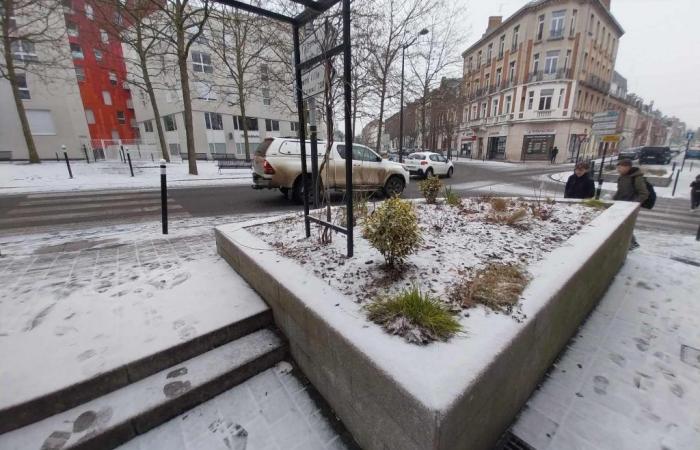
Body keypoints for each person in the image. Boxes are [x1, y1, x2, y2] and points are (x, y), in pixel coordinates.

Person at [613, 159, 649, 249]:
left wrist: (633, 204)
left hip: (630, 206)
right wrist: (614, 200)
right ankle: (629, 242)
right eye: (617, 168)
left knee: (626, 225)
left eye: (620, 167)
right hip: (620, 204)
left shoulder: (636, 178)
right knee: (621, 224)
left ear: (627, 167)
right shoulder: (622, 177)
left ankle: (632, 243)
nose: (618, 170)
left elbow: (644, 193)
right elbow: (620, 191)